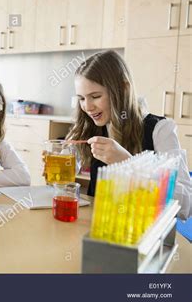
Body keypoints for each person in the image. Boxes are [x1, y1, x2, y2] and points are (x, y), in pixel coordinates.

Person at [67, 50, 191, 219]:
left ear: (124, 89)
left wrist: (129, 163)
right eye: (81, 98)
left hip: (144, 236)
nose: (87, 107)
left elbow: (186, 205)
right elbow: (68, 183)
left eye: (95, 96)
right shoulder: (92, 127)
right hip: (98, 230)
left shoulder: (159, 130)